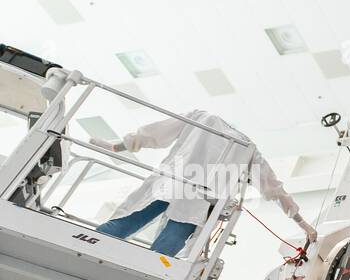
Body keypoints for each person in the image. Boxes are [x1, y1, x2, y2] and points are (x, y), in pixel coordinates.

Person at [91, 110, 314, 257]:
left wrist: (115, 148)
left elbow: (154, 134)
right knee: (168, 245)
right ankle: (148, 274)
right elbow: (274, 190)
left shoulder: (201, 118)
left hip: (171, 184)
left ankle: (91, 243)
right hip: (198, 200)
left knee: (130, 219)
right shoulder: (249, 150)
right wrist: (303, 224)